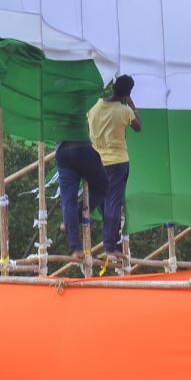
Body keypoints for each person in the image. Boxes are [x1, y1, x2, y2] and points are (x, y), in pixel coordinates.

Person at [87, 74, 141, 264]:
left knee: (103, 201)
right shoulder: (124, 110)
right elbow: (138, 126)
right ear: (127, 93)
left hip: (95, 161)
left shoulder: (94, 108)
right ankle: (110, 245)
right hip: (117, 162)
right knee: (113, 203)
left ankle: (112, 239)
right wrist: (130, 103)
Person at [54, 137, 108, 262]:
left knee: (68, 200)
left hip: (62, 151)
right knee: (103, 187)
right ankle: (74, 218)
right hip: (83, 147)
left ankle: (76, 248)